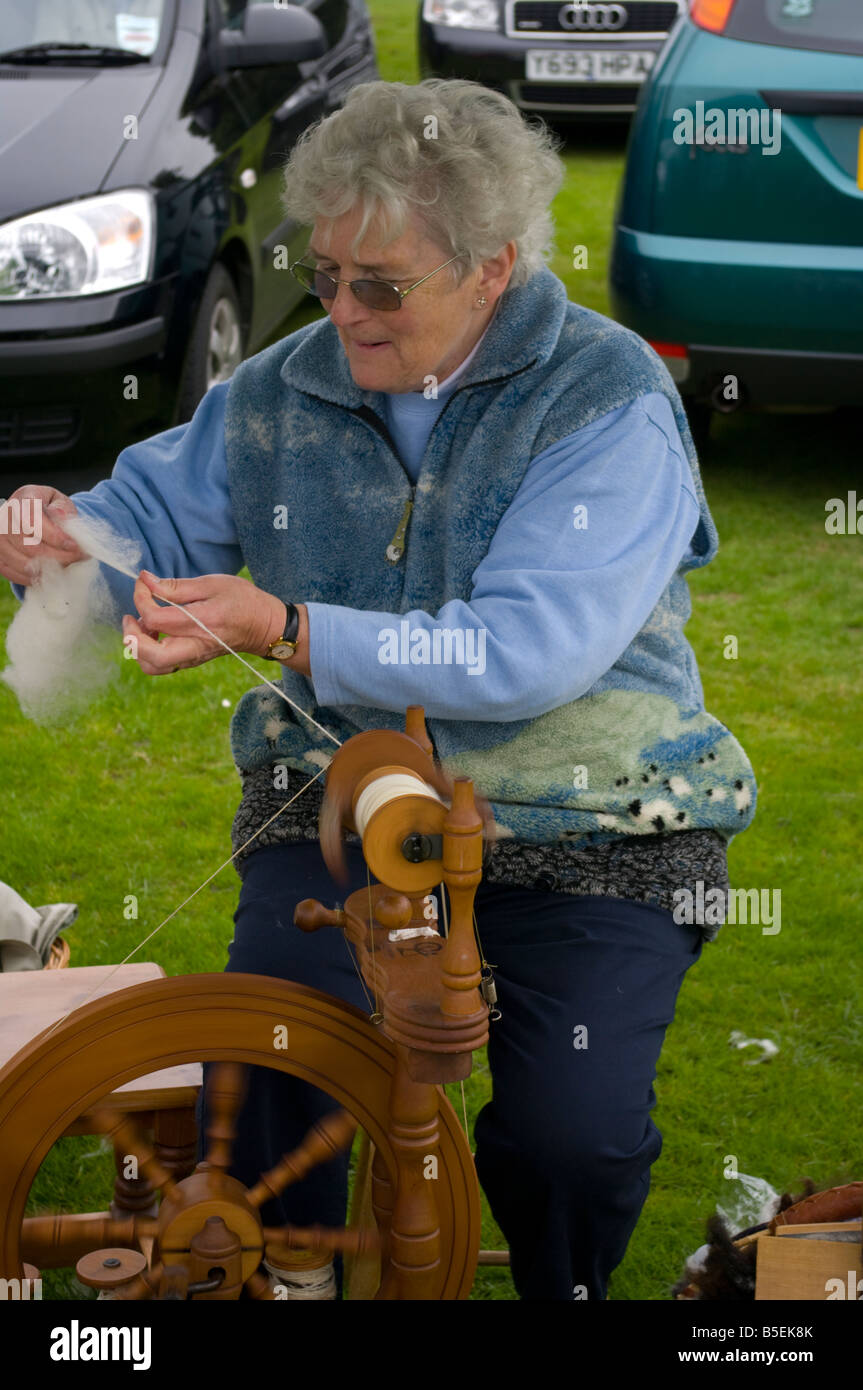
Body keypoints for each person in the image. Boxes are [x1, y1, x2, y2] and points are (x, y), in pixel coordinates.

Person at [0, 78, 757, 1301]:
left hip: (599, 817)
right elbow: (143, 509)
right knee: (273, 1065)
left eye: (380, 285)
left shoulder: (605, 401)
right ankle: (280, 1274)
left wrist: (289, 626)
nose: (339, 306)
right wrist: (60, 537)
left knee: (573, 1135)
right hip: (337, 804)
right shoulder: (282, 389)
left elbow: (530, 648)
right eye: (327, 268)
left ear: (492, 270)